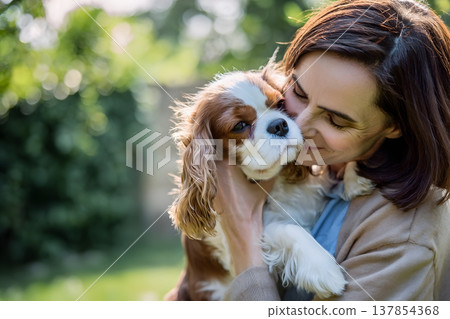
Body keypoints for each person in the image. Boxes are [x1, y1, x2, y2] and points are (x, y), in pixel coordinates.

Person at [214, 0, 450, 300]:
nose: (297, 122)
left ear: (395, 125)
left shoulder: (405, 237)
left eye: (336, 120)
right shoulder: (319, 166)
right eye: (298, 91)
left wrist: (244, 235)